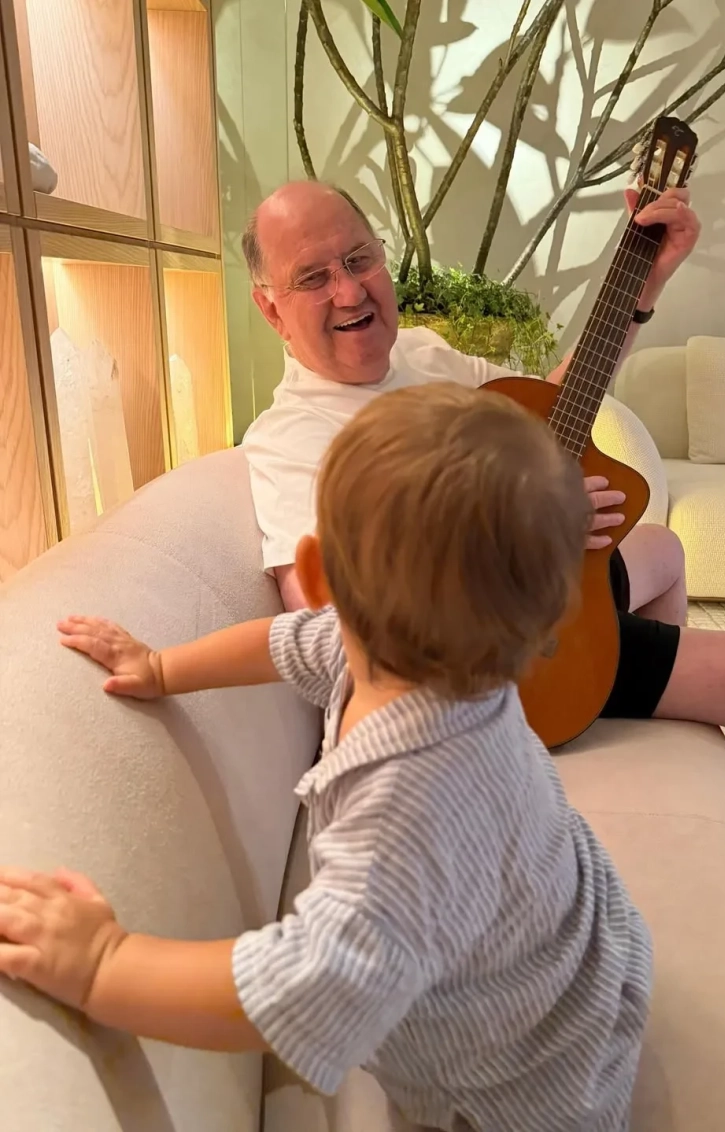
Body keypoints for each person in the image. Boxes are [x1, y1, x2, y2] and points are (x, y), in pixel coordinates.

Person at [0, 384, 653, 1132]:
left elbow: (307, 987)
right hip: (554, 938)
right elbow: (283, 643)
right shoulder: (424, 649)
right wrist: (160, 667)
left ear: (312, 575)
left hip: (527, 1084)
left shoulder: (411, 813)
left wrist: (104, 964)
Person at [239, 180, 725, 917]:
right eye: (312, 277)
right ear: (270, 308)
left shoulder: (423, 356)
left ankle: (630, 698)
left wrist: (642, 286)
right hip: (494, 664)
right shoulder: (292, 440)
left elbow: (555, 409)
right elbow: (337, 620)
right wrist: (530, 525)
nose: (348, 290)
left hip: (544, 598)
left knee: (661, 549)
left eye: (359, 258)